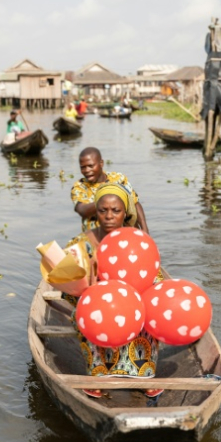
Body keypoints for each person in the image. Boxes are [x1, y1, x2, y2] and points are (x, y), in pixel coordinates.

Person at [65, 183, 162, 399]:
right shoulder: (81, 244)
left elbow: (154, 277)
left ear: (125, 214)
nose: (109, 216)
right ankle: (98, 376)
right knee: (85, 314)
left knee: (150, 314)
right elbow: (67, 287)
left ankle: (144, 376)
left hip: (133, 304)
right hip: (98, 306)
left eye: (116, 211)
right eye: (103, 210)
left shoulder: (138, 242)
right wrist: (88, 288)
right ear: (96, 212)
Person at [71, 147, 149, 233]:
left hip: (121, 234)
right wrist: (108, 199)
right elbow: (82, 210)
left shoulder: (118, 179)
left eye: (90, 166)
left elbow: (134, 203)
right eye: (83, 167)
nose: (87, 170)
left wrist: (144, 229)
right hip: (95, 237)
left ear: (101, 163)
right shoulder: (80, 186)